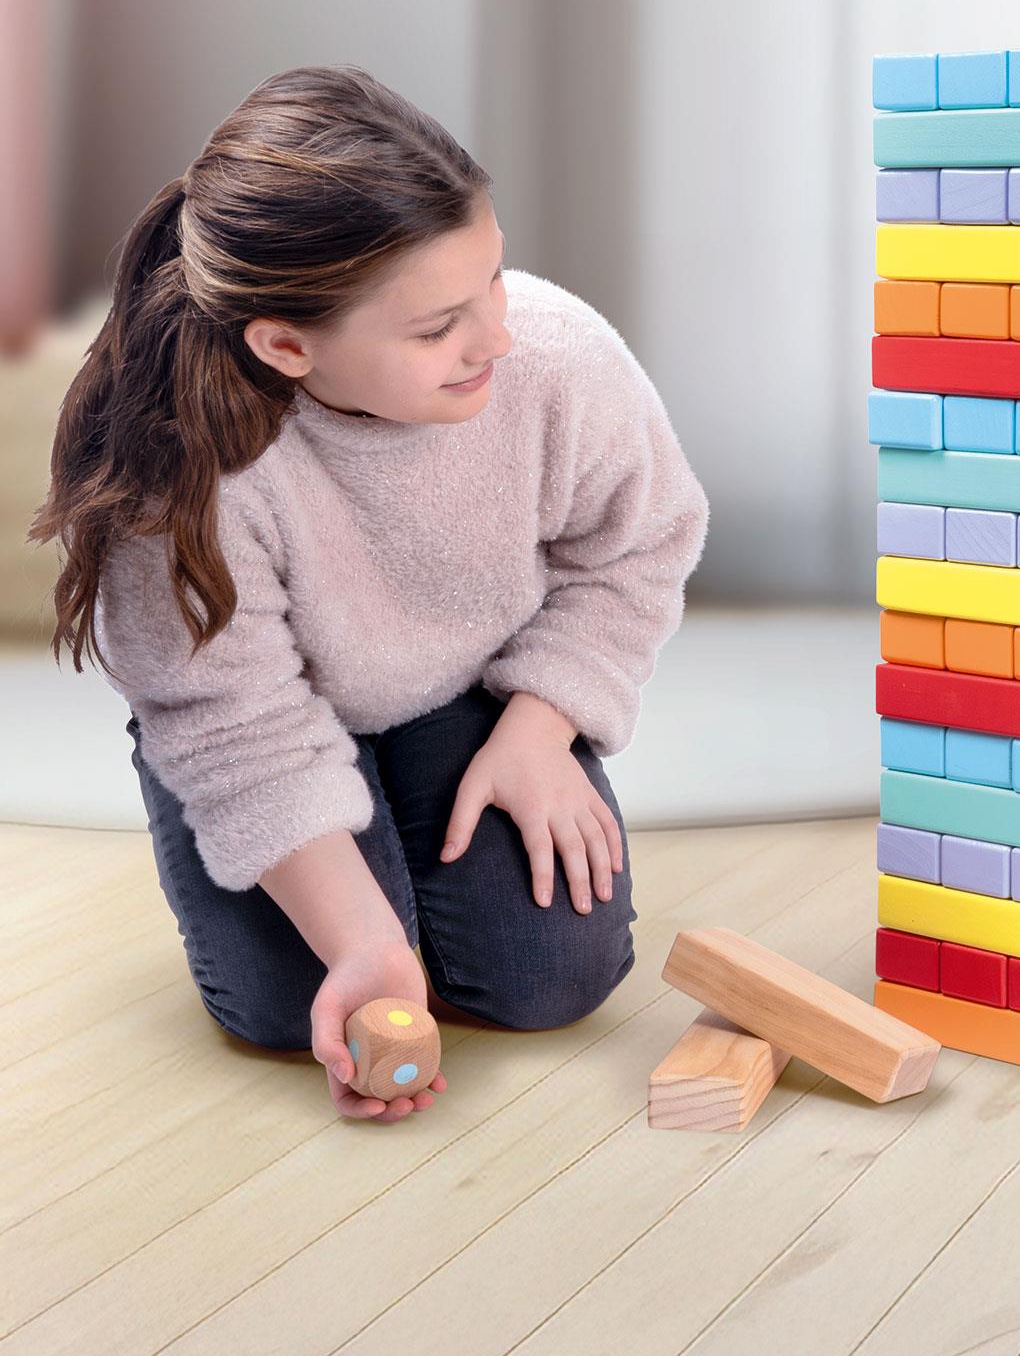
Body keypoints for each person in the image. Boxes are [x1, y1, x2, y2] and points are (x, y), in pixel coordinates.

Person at [30, 65, 709, 1121]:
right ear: (287, 345)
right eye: (437, 328)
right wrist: (364, 944)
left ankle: (418, 836)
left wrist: (541, 728)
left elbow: (636, 549)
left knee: (549, 979)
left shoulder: (558, 360)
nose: (496, 337)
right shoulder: (186, 472)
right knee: (286, 1007)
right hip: (262, 724)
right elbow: (235, 723)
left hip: (464, 690)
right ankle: (364, 881)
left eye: (493, 276)